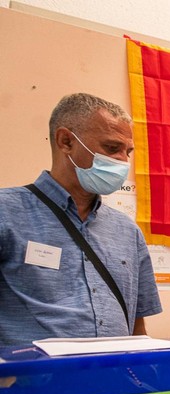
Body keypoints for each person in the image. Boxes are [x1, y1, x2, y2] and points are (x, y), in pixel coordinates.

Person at [0, 93, 161, 345]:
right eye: (112, 148)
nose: (123, 161)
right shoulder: (5, 212)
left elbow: (137, 325)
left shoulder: (127, 231)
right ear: (66, 141)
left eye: (127, 151)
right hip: (29, 381)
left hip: (113, 380)